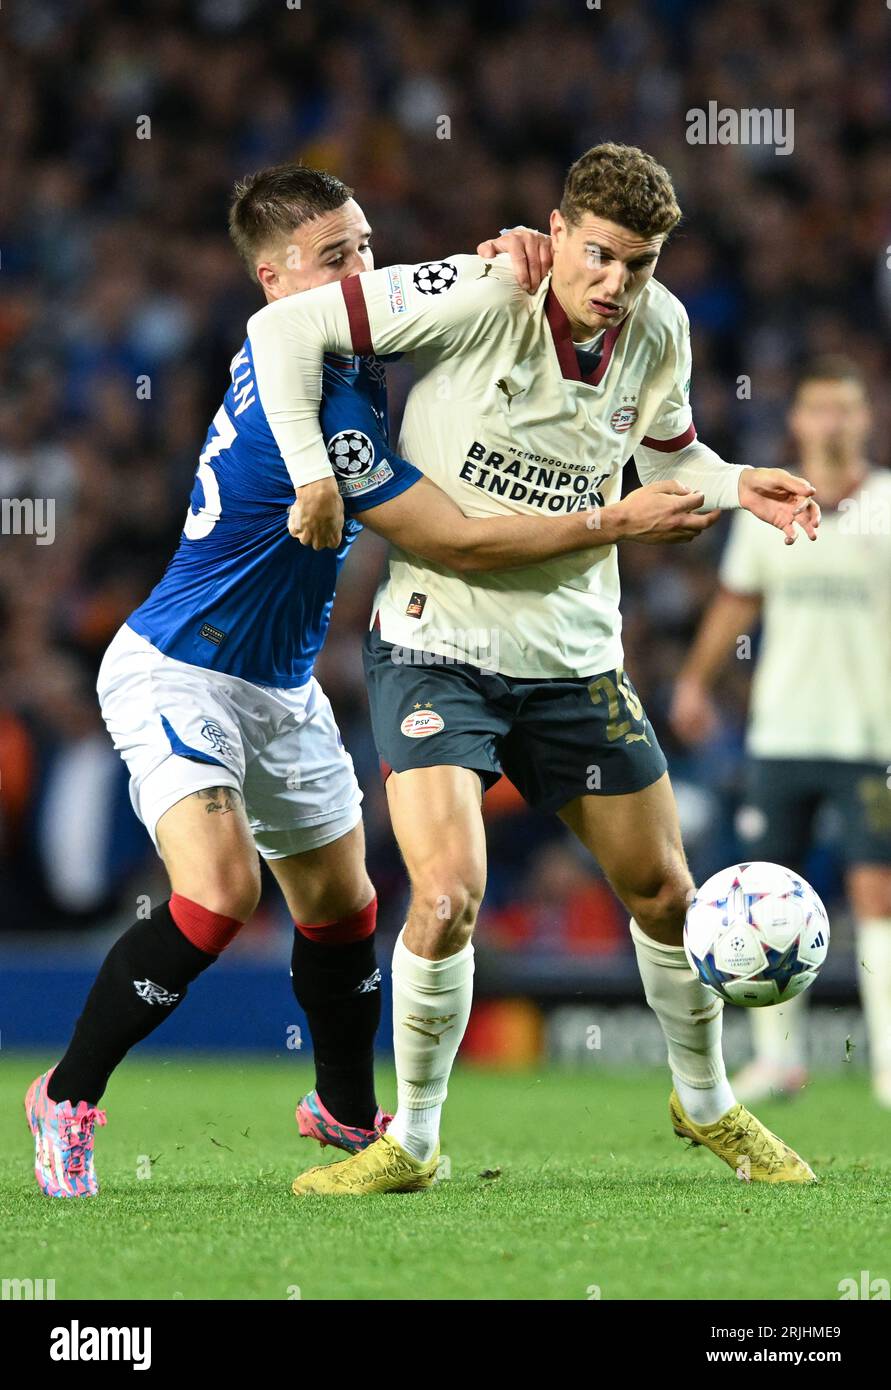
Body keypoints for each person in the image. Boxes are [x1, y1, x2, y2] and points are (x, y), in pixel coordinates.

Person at [26, 164, 698, 1199]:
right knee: (218, 892)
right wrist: (615, 520)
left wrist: (522, 251)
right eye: (335, 260)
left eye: (369, 247)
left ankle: (341, 1110)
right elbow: (460, 544)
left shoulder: (349, 344)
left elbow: (460, 297)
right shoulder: (329, 401)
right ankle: (66, 1097)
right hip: (179, 671)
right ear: (271, 281)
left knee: (343, 908)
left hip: (283, 688)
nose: (365, 272)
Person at [241, 142, 822, 1196]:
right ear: (554, 233)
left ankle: (706, 1106)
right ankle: (410, 1140)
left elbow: (672, 458)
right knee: (448, 893)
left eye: (639, 264)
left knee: (665, 892)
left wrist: (740, 487)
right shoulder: (478, 288)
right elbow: (283, 326)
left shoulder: (662, 329)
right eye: (597, 255)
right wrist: (311, 471)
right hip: (436, 640)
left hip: (571, 655)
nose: (615, 282)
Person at [671, 357, 891, 1107]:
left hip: (873, 736)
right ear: (795, 420)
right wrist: (696, 681)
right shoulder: (772, 505)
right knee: (768, 894)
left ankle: (887, 1064)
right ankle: (779, 1059)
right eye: (817, 408)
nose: (831, 421)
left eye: (845, 407)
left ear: (866, 417)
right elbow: (736, 605)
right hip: (781, 730)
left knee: (877, 894)